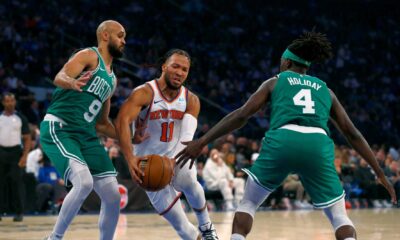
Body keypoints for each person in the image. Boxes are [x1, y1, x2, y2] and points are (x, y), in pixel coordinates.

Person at [175, 31, 397, 240]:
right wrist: (379, 172)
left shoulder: (275, 81)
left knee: (249, 204)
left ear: (287, 62)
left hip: (283, 139)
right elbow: (353, 133)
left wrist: (203, 141)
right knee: (339, 216)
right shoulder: (326, 90)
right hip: (317, 143)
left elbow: (242, 116)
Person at [115, 49, 219, 239]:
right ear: (164, 67)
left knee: (187, 176)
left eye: (185, 70)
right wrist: (130, 158)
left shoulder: (191, 100)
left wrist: (171, 161)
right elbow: (122, 121)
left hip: (177, 157)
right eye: (175, 66)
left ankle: (206, 226)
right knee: (182, 227)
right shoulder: (144, 92)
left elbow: (186, 138)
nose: (180, 72)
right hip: (147, 164)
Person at [40, 20, 126, 240]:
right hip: (61, 127)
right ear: (105, 36)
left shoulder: (112, 79)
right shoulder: (89, 55)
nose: (123, 41)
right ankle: (54, 238)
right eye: (120, 35)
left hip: (86, 135)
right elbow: (59, 77)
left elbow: (102, 124)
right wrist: (71, 82)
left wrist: (131, 136)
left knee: (113, 195)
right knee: (84, 182)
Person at [0, 93, 31, 222]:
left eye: (12, 100)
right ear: (3, 103)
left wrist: (24, 156)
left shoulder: (20, 118)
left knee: (17, 183)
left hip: (15, 153)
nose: (10, 103)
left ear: (15, 102)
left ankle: (19, 212)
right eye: (7, 101)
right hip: (1, 152)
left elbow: (27, 138)